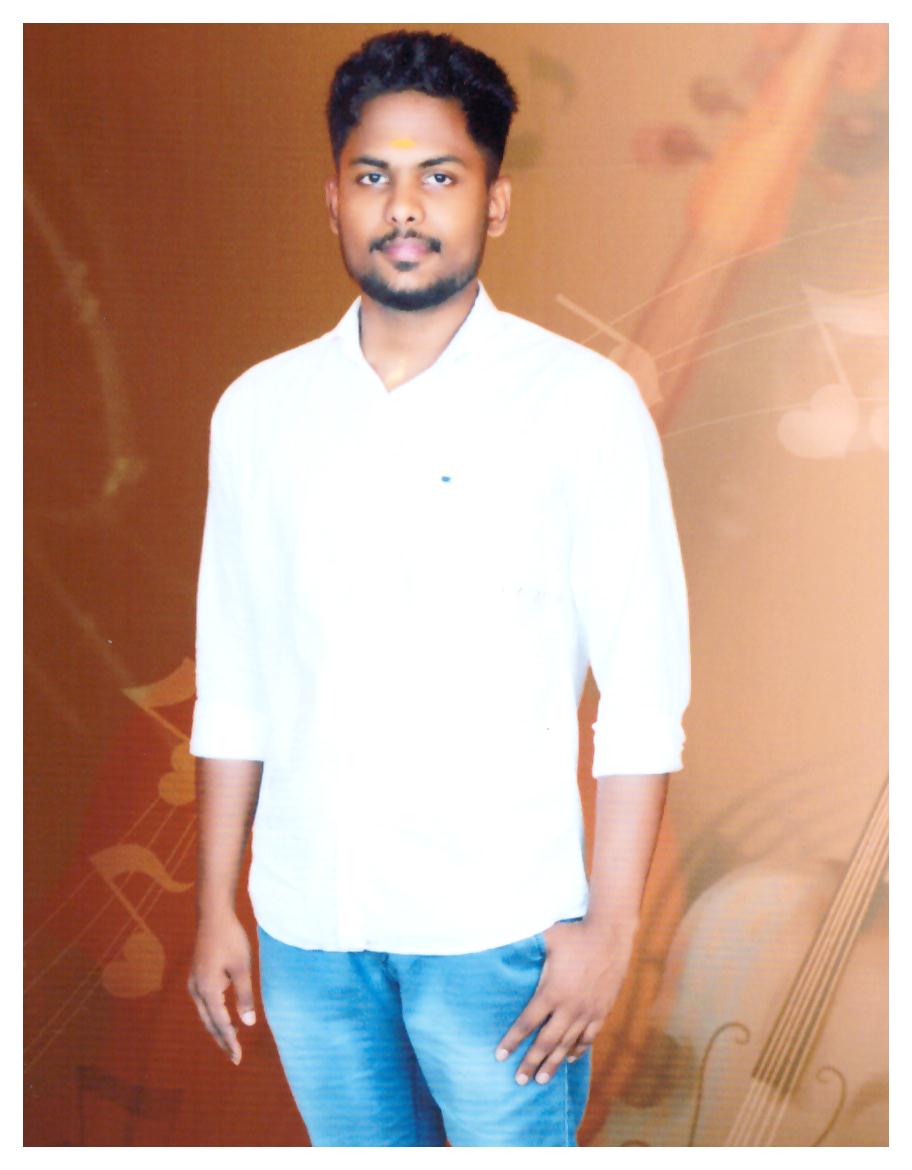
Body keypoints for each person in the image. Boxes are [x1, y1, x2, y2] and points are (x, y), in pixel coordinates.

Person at [187, 29, 690, 1148]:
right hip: (308, 931)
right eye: (374, 176)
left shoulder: (581, 404)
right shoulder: (259, 410)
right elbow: (236, 679)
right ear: (334, 198)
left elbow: (643, 698)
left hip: (498, 940)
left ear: (494, 204)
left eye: (441, 177)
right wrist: (216, 905)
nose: (403, 208)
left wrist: (611, 932)